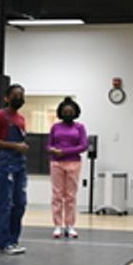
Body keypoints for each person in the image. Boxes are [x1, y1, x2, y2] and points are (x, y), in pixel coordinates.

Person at [0, 84, 29, 255]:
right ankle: (4, 242)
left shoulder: (21, 119)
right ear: (6, 98)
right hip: (5, 163)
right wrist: (14, 146)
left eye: (21, 95)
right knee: (6, 203)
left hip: (20, 164)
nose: (19, 98)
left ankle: (14, 239)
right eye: (15, 95)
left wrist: (21, 148)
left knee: (20, 203)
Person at [48, 97, 88, 239]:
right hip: (56, 163)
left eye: (70, 111)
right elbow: (49, 144)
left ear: (75, 112)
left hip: (73, 162)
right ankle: (57, 225)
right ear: (61, 112)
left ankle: (70, 225)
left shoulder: (80, 127)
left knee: (70, 196)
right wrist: (54, 150)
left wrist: (65, 151)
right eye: (65, 111)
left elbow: (83, 146)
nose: (68, 114)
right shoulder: (55, 127)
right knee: (57, 194)